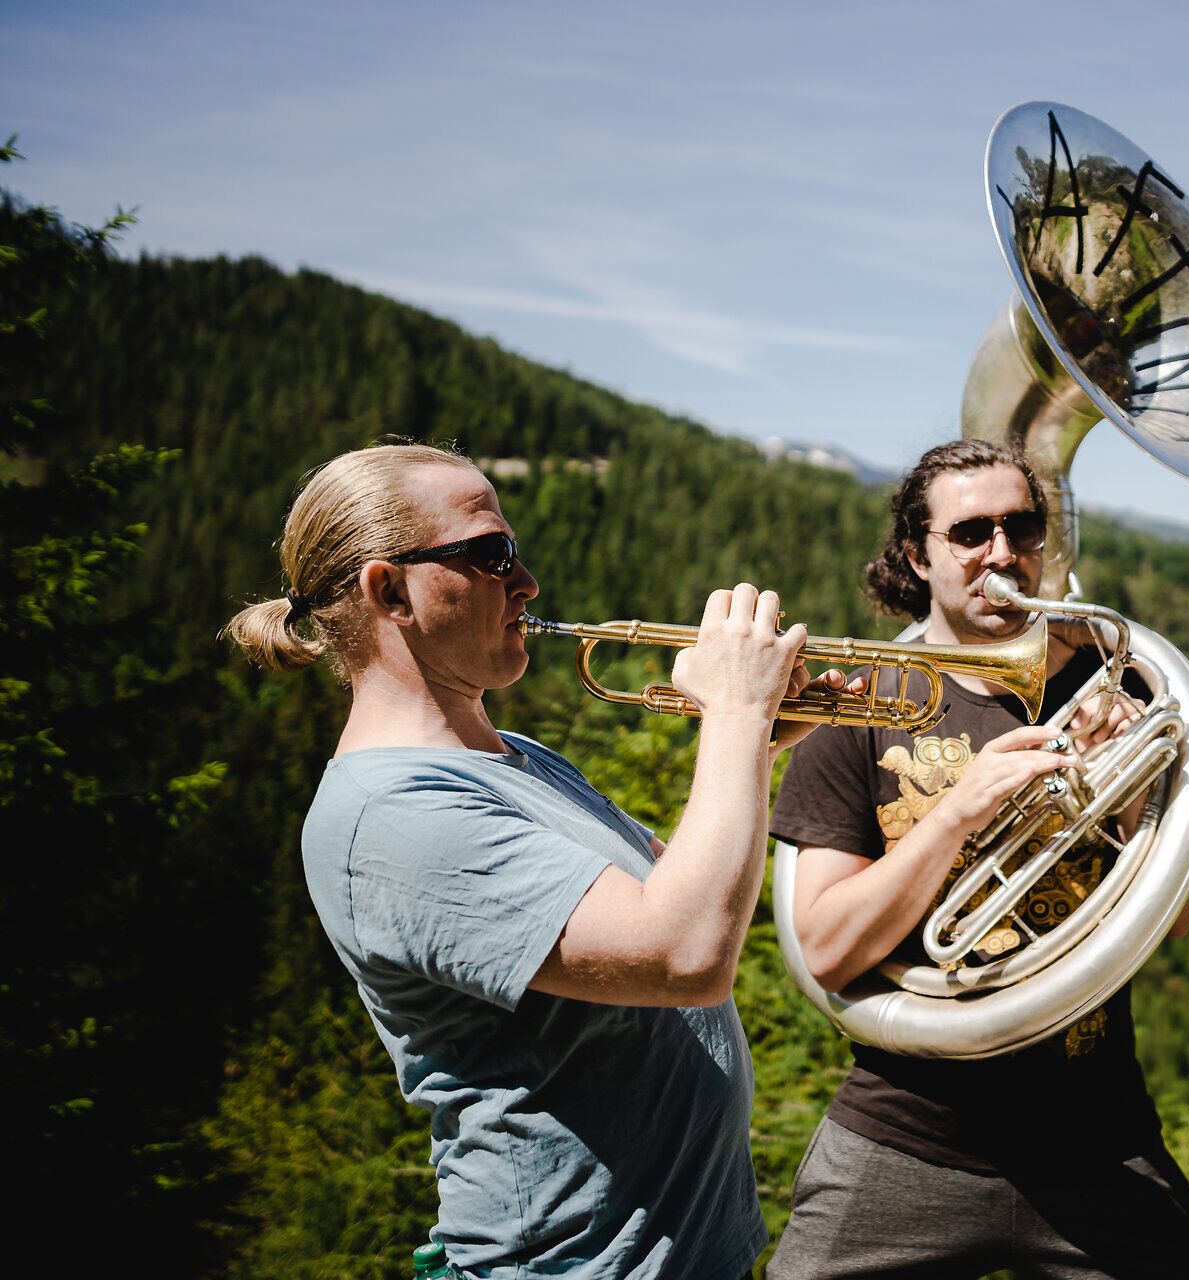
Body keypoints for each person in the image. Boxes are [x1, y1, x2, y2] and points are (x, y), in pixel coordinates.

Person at [226, 443, 840, 1279]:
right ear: (388, 590)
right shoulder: (393, 816)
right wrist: (731, 714)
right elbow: (686, 953)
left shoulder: (511, 755)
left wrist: (757, 745)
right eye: (491, 555)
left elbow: (670, 886)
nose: (527, 582)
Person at [767, 440, 1189, 1279]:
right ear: (917, 552)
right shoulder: (857, 708)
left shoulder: (1120, 687)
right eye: (970, 532)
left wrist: (1118, 792)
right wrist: (960, 816)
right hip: (909, 1137)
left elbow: (1176, 916)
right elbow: (826, 946)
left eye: (1022, 527)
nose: (1003, 555)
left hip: (1100, 1138)